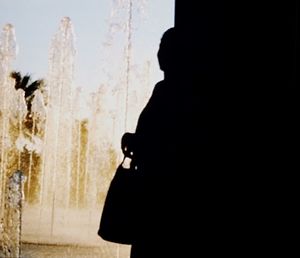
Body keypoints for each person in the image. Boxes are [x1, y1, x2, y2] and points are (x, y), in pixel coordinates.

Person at [121, 27, 209, 257]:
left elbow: (168, 142)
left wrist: (137, 142)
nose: (159, 54)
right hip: (160, 199)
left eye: (165, 48)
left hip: (162, 201)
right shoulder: (171, 90)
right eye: (160, 47)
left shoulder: (174, 93)